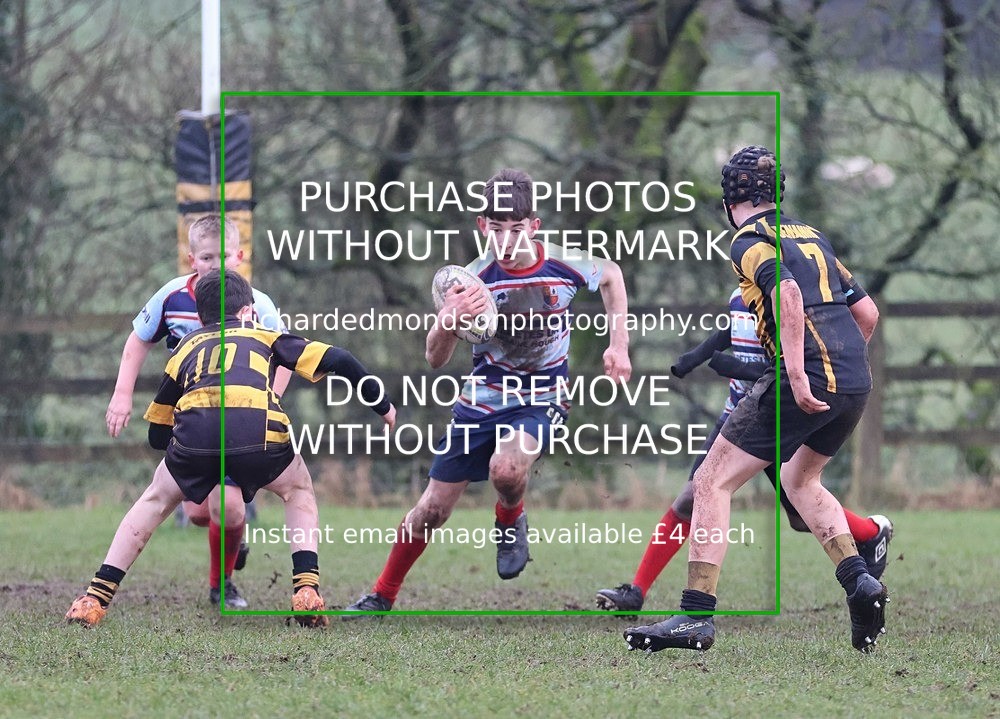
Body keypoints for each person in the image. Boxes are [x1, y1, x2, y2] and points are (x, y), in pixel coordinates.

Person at [624, 146, 888, 653]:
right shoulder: (810, 235)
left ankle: (695, 616)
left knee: (710, 480)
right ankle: (860, 582)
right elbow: (867, 313)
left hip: (802, 377)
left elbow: (787, 296)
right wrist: (841, 366)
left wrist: (800, 374)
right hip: (854, 380)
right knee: (800, 481)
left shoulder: (749, 239)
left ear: (731, 202)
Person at [345, 167, 632, 614]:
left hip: (543, 396)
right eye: (496, 229)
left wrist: (619, 344)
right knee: (431, 510)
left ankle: (509, 518)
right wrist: (447, 319)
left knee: (506, 468)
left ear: (534, 226)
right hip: (481, 400)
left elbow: (611, 276)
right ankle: (382, 595)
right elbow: (435, 358)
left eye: (516, 229)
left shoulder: (563, 265)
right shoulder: (471, 282)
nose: (506, 240)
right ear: (482, 226)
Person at [66, 269, 396, 628]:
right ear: (247, 312)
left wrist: (184, 459)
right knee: (298, 489)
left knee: (154, 500)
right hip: (260, 436)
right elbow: (340, 359)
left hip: (196, 440)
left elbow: (157, 433)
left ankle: (94, 598)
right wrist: (382, 405)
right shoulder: (266, 336)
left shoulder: (185, 348)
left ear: (200, 317)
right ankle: (306, 589)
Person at [596, 289, 892, 612]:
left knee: (799, 512)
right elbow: (733, 329)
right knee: (690, 498)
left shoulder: (784, 296)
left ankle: (871, 533)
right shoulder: (743, 289)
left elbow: (787, 368)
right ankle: (636, 592)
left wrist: (731, 366)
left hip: (774, 415)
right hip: (736, 414)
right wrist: (696, 356)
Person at [105, 214, 291, 608]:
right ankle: (233, 541)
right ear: (192, 260)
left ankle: (222, 584)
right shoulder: (172, 297)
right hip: (191, 422)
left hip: (239, 422)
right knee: (200, 514)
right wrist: (122, 395)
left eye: (223, 256)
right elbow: (137, 342)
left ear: (239, 257)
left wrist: (269, 399)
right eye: (206, 258)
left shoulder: (258, 304)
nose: (215, 265)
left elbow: (287, 355)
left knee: (231, 508)